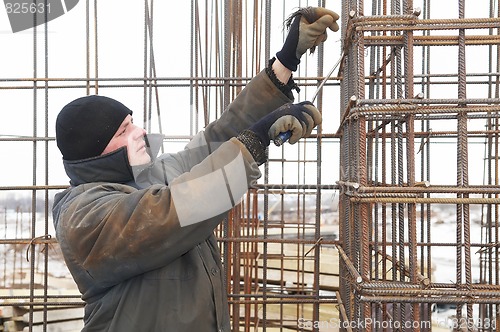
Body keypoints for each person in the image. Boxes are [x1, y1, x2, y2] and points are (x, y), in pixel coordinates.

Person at [52, 7, 339, 332]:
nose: (139, 133)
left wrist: (284, 64)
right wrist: (257, 138)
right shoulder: (82, 217)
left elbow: (217, 140)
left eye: (133, 123)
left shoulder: (149, 177)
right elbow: (175, 210)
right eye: (123, 132)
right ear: (94, 153)